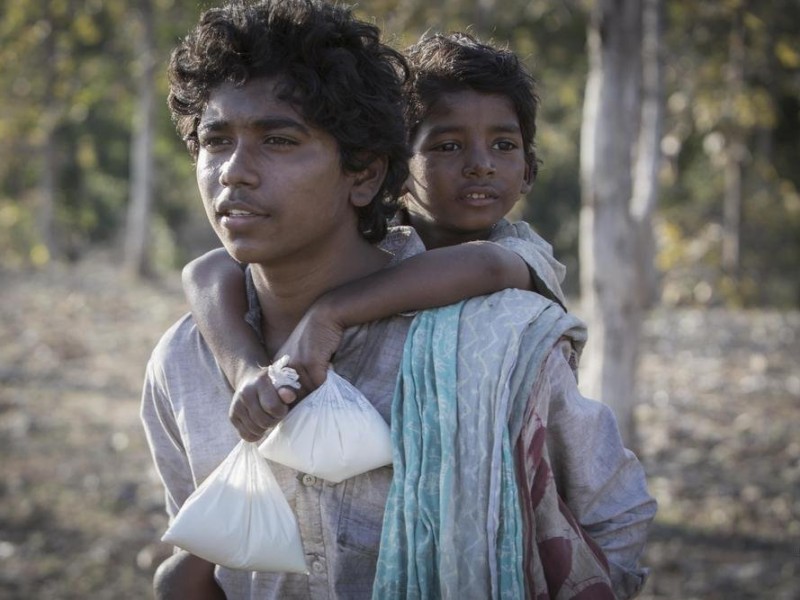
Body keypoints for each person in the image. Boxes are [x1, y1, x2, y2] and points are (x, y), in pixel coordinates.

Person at [141, 2, 655, 598]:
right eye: (216, 141)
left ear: (364, 174)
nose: (234, 172)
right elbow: (205, 554)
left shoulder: (494, 345)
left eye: (278, 140)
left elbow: (615, 524)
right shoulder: (185, 361)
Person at [182, 31, 570, 435]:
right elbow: (203, 272)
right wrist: (242, 366)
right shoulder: (373, 237)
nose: (481, 165)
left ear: (528, 171)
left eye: (504, 145)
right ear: (397, 169)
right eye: (448, 146)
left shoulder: (518, 250)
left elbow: (487, 265)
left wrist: (329, 313)